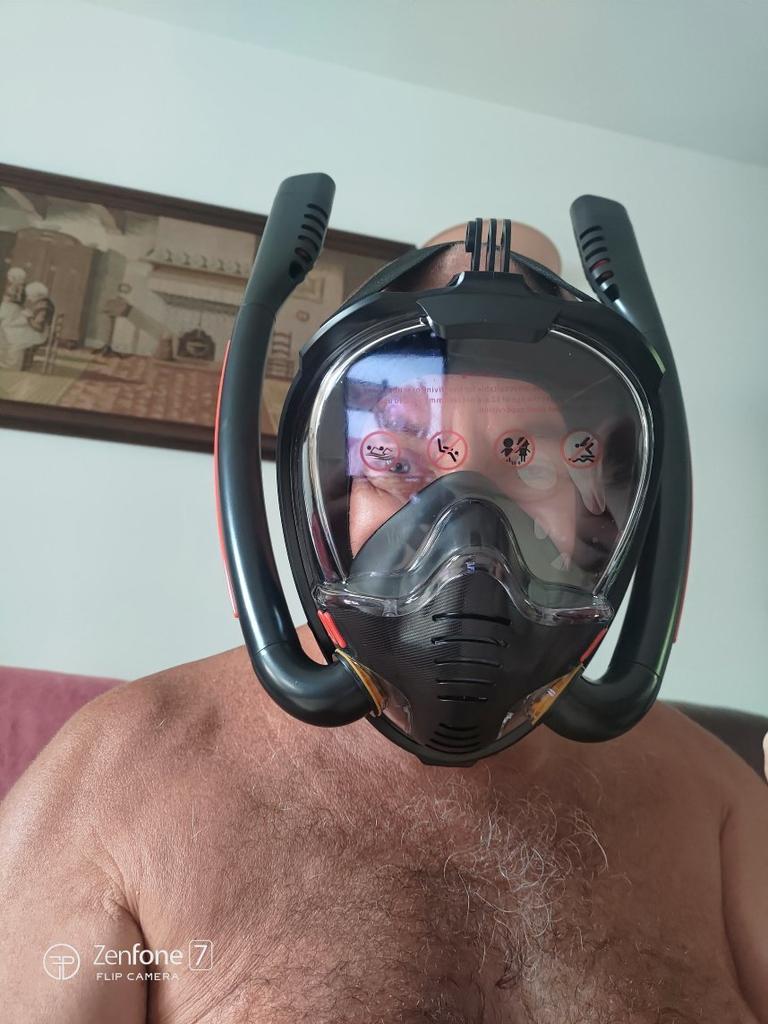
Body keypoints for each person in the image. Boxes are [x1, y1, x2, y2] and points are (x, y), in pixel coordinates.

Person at [1, 229, 767, 1024]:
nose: (469, 533)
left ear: (596, 518)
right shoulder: (111, 784)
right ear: (329, 499)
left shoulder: (720, 809)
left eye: (528, 462)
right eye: (398, 463)